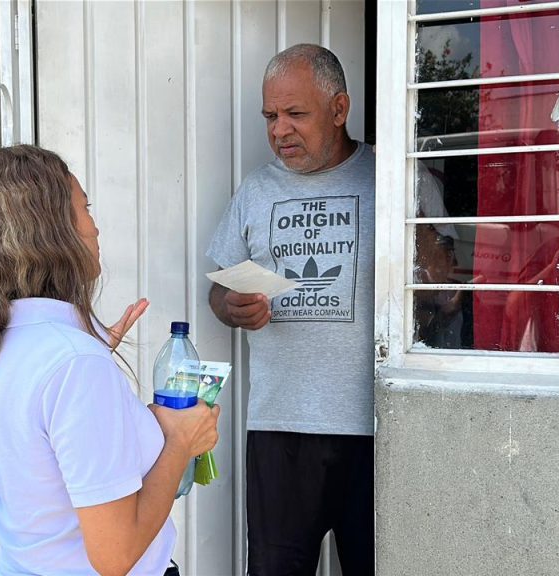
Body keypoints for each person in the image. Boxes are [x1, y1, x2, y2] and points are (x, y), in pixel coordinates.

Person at [0, 145, 220, 576]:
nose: (95, 228)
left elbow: (42, 451)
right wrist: (181, 442)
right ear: (52, 231)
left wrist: (90, 357)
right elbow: (115, 555)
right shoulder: (73, 363)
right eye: (85, 209)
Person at [207, 44, 375, 575]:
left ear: (340, 108)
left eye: (295, 114)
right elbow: (218, 288)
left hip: (375, 425)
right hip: (280, 428)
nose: (279, 130)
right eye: (270, 117)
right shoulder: (257, 190)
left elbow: (439, 291)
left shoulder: (386, 179)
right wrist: (231, 306)